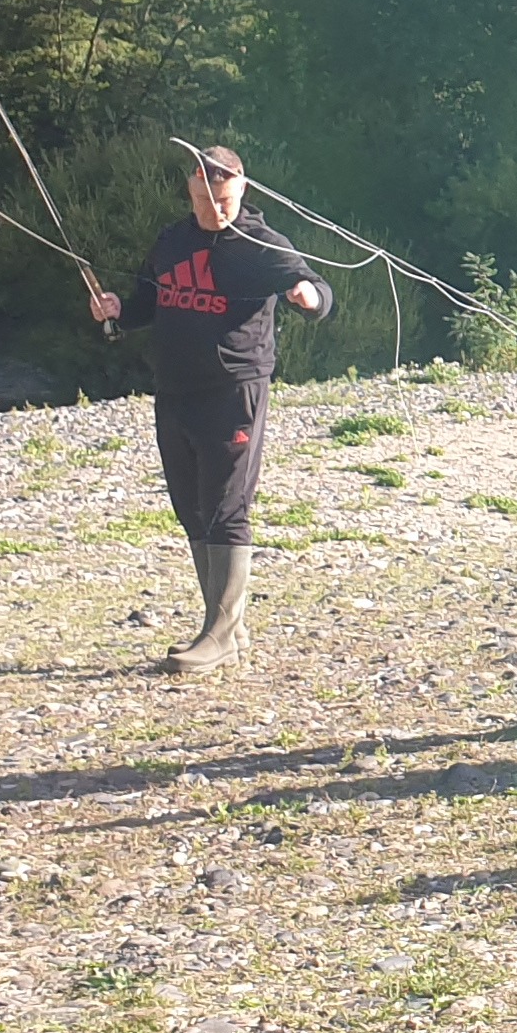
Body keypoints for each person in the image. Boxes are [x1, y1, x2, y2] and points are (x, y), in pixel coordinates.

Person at [88, 144, 332, 674]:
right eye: (203, 199)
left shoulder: (259, 244)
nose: (213, 210)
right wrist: (116, 312)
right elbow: (147, 304)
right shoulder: (173, 241)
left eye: (222, 199)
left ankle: (218, 636)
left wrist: (307, 297)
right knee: (191, 507)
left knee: (226, 507)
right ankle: (225, 627)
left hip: (234, 390)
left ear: (241, 188)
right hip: (175, 390)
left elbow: (318, 288)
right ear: (190, 188)